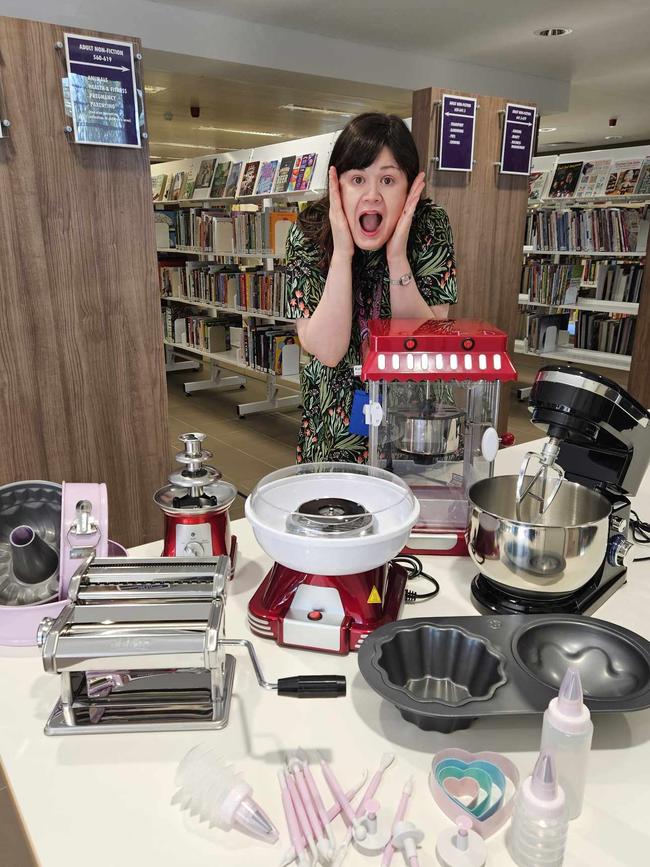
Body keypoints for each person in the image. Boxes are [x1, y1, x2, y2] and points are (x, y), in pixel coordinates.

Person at [285, 112, 457, 464]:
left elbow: (424, 346)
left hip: (413, 425)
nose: (372, 195)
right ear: (337, 184)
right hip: (333, 426)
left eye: (389, 180)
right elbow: (328, 351)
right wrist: (342, 254)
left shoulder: (429, 226)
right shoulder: (308, 231)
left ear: (410, 185)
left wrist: (397, 257)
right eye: (358, 179)